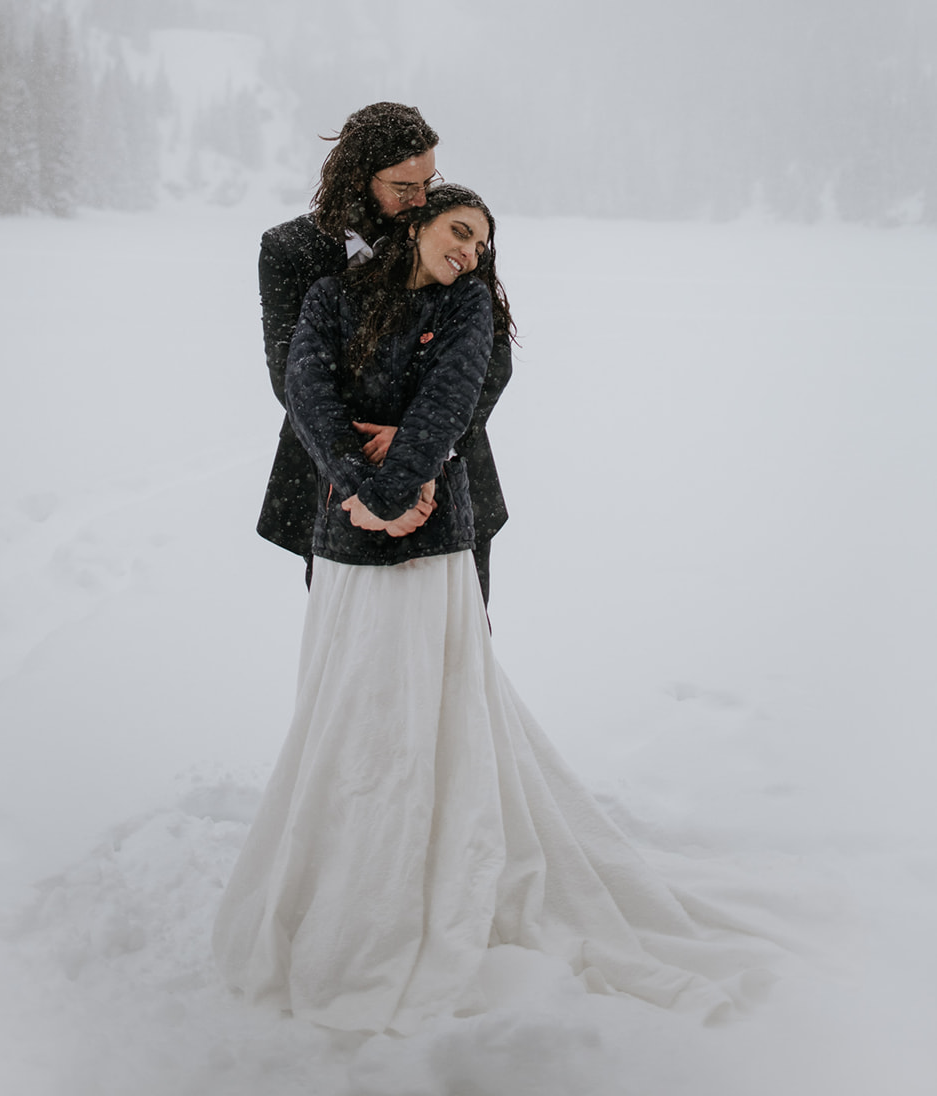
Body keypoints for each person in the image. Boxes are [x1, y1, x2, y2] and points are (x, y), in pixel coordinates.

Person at [214, 186, 776, 1035]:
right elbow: (308, 392)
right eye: (458, 232)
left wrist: (398, 488)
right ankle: (337, 871)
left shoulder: (468, 308)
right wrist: (363, 491)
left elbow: (447, 408)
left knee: (420, 706)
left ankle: (432, 869)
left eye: (481, 242)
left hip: (434, 536)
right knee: (351, 705)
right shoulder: (333, 295)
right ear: (415, 227)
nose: (471, 251)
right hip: (348, 541)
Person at [256, 102, 511, 600]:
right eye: (403, 187)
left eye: (427, 182)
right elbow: (295, 377)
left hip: (449, 478)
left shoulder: (452, 229)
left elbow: (490, 362)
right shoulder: (291, 250)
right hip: (336, 481)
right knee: (354, 653)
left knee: (453, 654)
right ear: (357, 175)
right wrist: (362, 481)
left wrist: (421, 448)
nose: (420, 200)